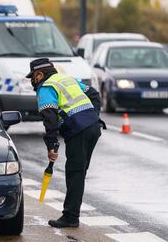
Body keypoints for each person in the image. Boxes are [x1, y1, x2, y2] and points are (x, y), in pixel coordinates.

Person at [26, 58, 105, 228]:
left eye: (32, 77)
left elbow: (50, 119)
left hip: (79, 130)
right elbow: (94, 94)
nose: (32, 81)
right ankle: (72, 213)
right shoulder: (67, 79)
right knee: (79, 171)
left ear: (39, 75)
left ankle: (70, 217)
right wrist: (93, 115)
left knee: (75, 172)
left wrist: (52, 145)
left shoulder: (46, 88)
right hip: (93, 127)